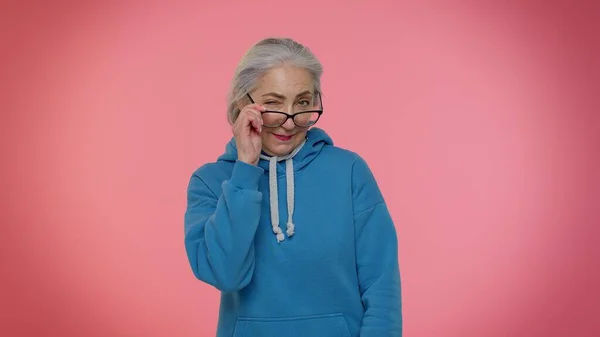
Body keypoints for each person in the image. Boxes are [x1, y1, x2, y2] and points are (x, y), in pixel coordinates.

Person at [184, 37, 402, 337]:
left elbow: (381, 285)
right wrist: (245, 171)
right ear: (242, 104)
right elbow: (226, 275)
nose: (290, 122)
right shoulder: (210, 182)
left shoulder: (349, 171)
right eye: (273, 103)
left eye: (302, 103)